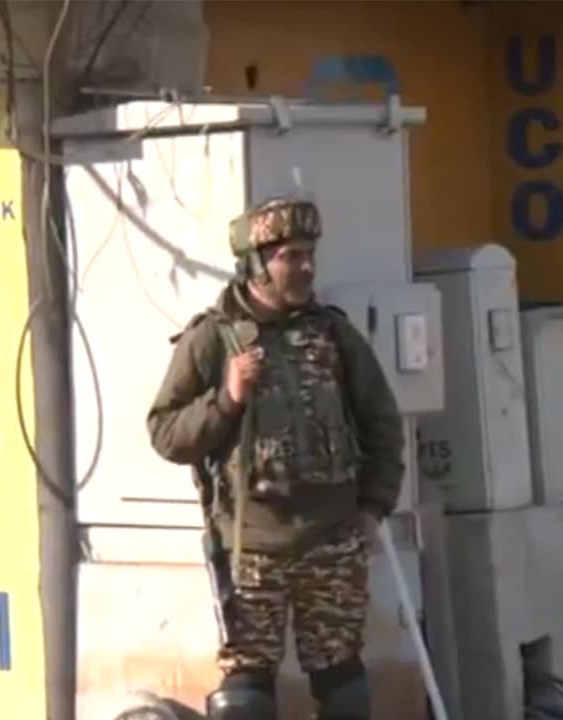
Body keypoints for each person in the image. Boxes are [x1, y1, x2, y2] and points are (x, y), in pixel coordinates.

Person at [146, 196, 405, 720]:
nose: (305, 267)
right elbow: (165, 431)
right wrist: (227, 399)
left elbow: (382, 422)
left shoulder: (333, 333)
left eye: (309, 254)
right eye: (290, 256)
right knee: (245, 694)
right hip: (251, 547)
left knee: (344, 686)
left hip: (332, 540)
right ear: (257, 263)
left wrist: (374, 506)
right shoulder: (212, 338)